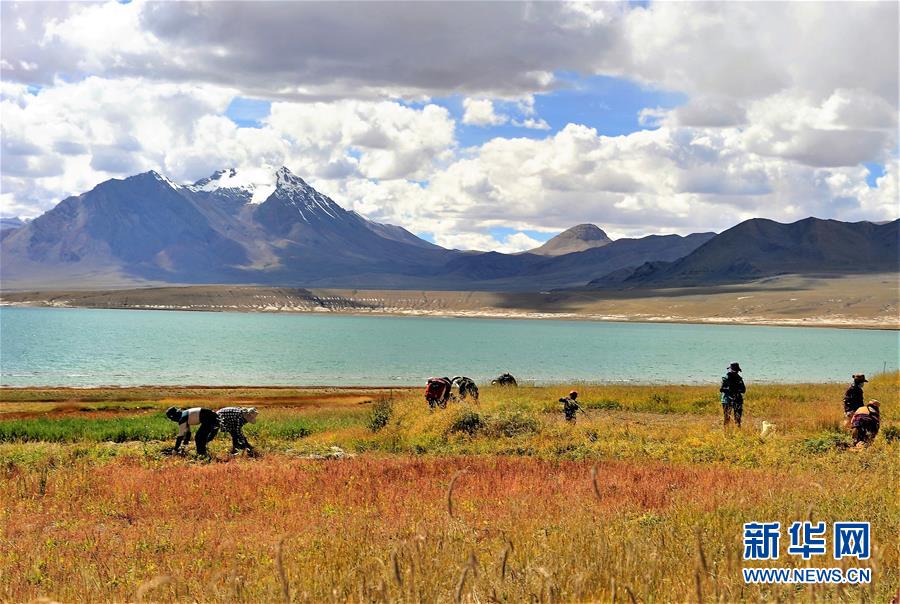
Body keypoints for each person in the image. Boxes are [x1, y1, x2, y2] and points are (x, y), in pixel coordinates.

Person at [719, 362, 746, 429]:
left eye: (736, 371)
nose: (736, 372)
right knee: (727, 417)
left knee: (738, 418)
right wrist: (730, 390)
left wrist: (736, 390)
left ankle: (738, 432)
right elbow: (721, 389)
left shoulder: (739, 378)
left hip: (737, 399)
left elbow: (743, 390)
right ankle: (726, 433)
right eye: (734, 370)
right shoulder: (726, 378)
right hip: (727, 400)